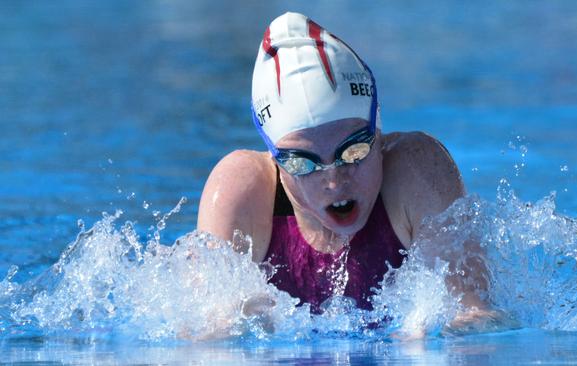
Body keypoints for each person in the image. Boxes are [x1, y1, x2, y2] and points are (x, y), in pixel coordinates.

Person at [198, 12, 506, 337]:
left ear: (378, 132)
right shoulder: (242, 193)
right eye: (302, 162)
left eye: (353, 152)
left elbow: (477, 321)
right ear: (275, 158)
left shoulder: (418, 173)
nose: (334, 181)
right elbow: (205, 342)